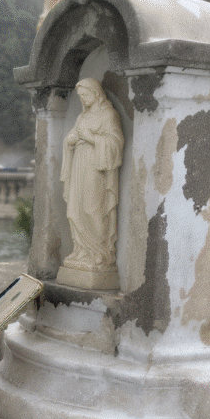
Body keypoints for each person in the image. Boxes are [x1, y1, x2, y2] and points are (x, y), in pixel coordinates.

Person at [59, 78, 123, 278]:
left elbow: (116, 143)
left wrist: (91, 138)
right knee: (75, 209)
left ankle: (100, 253)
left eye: (85, 95)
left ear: (96, 93)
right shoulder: (81, 117)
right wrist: (69, 142)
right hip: (79, 164)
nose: (83, 100)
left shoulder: (109, 115)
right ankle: (81, 251)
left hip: (96, 167)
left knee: (92, 207)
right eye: (80, 97)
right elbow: (71, 137)